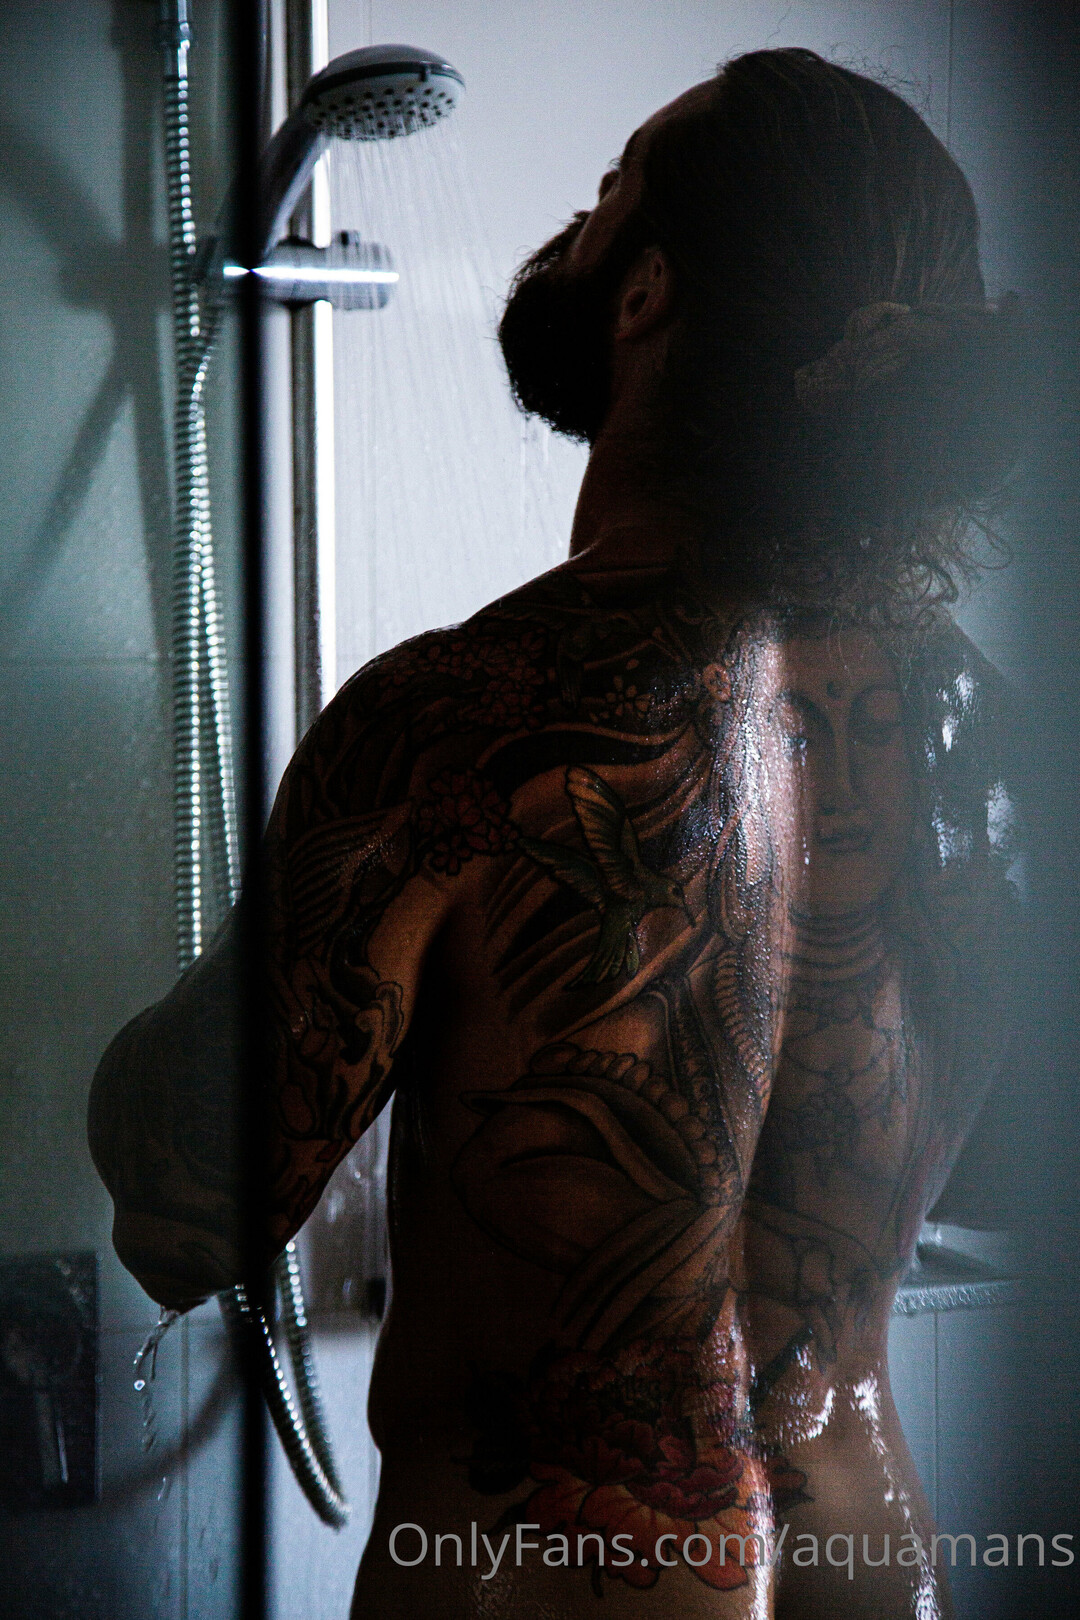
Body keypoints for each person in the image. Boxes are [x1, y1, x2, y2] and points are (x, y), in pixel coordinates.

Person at [88, 47, 1026, 1619]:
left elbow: (191, 1215)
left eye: (612, 190)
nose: (580, 221)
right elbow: (1006, 1182)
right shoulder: (997, 752)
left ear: (648, 293)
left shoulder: (467, 718)